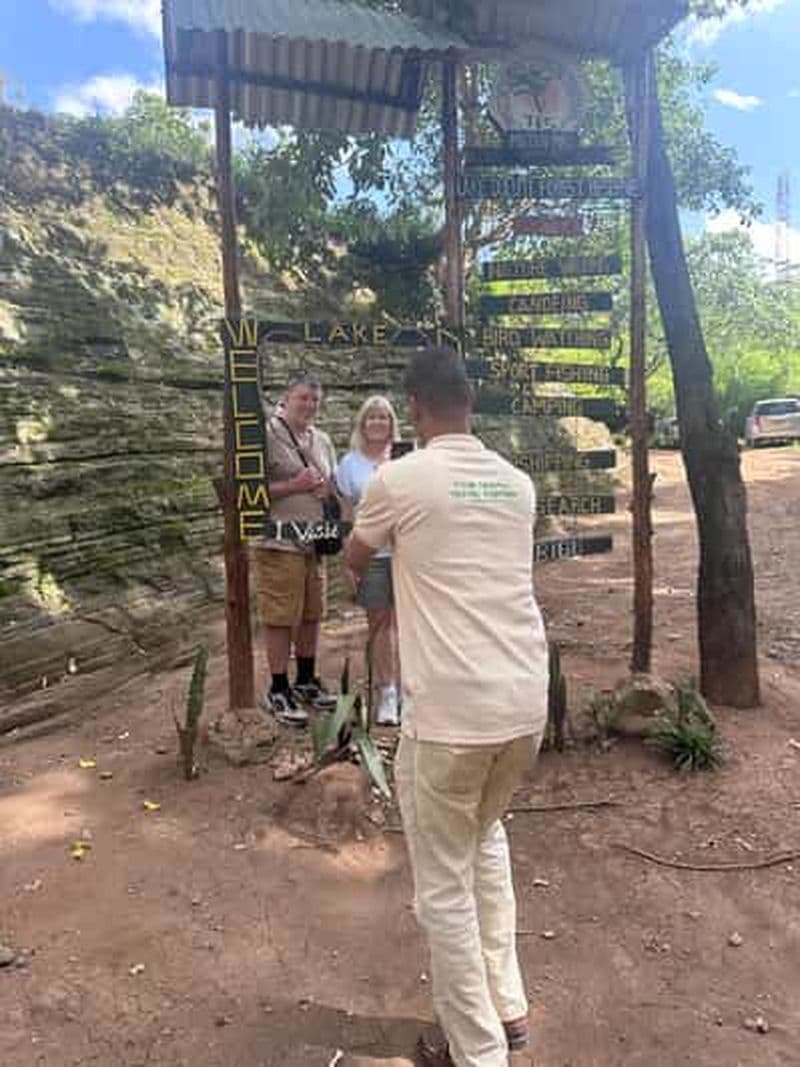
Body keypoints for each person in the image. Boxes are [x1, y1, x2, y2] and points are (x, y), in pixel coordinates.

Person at [344, 348, 548, 1067]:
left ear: (418, 409)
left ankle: (478, 1052)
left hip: (453, 715)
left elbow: (354, 557)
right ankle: (509, 1005)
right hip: (524, 704)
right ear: (470, 402)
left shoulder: (400, 477)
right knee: (484, 838)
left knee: (443, 891)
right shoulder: (517, 485)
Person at [253, 372, 337, 727]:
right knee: (280, 614)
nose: (309, 405)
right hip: (278, 541)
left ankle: (305, 680)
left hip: (314, 541)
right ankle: (277, 687)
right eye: (303, 397)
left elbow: (332, 483)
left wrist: (325, 491)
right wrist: (293, 485)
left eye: (315, 399)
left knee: (312, 613)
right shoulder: (266, 435)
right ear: (286, 398)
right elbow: (247, 489)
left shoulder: (322, 439)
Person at [336, 396, 402, 727]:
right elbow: (347, 516)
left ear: (392, 424)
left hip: (408, 553)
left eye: (384, 417)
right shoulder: (349, 464)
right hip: (372, 554)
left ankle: (415, 691)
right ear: (363, 424)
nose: (378, 423)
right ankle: (388, 692)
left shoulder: (408, 456)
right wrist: (349, 562)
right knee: (380, 624)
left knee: (414, 623)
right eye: (372, 417)